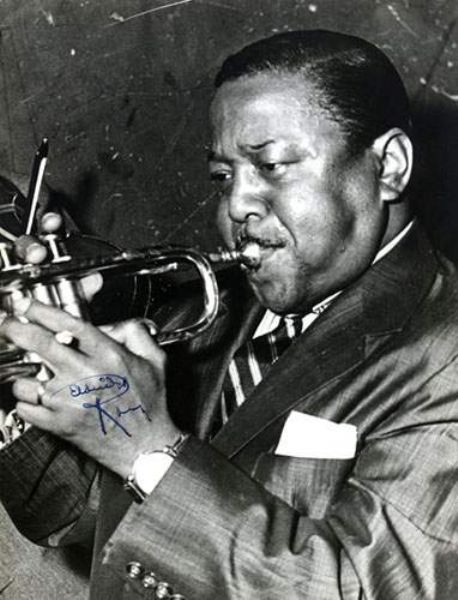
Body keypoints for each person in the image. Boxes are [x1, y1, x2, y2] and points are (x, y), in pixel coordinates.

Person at [0, 29, 457, 599]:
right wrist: (33, 352)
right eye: (222, 177)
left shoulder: (445, 359)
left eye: (272, 165)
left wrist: (147, 448)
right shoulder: (216, 308)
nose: (236, 205)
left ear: (388, 166)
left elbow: (362, 589)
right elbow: (79, 515)